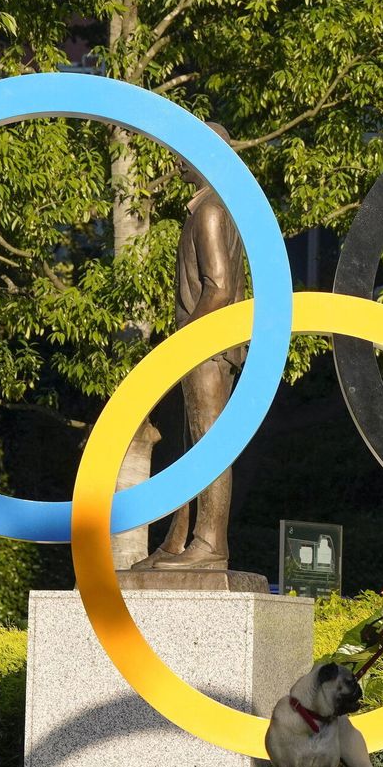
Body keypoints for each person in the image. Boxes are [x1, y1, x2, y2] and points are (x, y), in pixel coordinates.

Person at [133, 121, 246, 571]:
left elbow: (217, 288)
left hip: (210, 346)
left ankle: (210, 543)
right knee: (190, 444)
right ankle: (178, 541)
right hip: (205, 345)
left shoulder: (211, 212)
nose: (177, 158)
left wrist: (183, 344)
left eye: (186, 150)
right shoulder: (211, 207)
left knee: (208, 441)